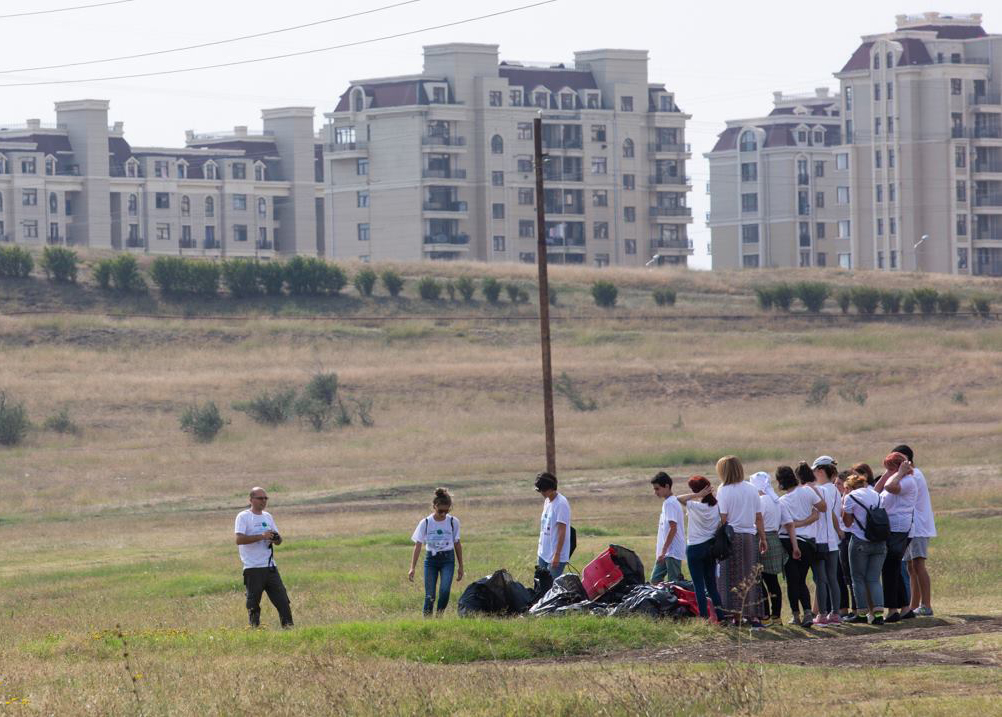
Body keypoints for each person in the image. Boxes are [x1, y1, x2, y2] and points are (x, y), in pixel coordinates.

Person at [715, 456, 767, 627]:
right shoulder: (752, 489)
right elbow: (758, 517)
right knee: (750, 577)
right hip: (750, 536)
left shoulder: (723, 490)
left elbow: (723, 518)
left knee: (729, 578)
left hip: (731, 537)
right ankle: (753, 616)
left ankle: (733, 615)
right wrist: (763, 538)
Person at [234, 487, 294, 628]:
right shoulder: (243, 516)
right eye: (260, 498)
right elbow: (239, 540)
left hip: (270, 567)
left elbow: (279, 541)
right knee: (253, 603)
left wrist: (276, 538)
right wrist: (261, 536)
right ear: (251, 500)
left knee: (283, 600)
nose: (264, 501)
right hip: (253, 568)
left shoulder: (268, 516)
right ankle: (254, 629)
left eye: (266, 498)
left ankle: (289, 628)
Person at [776, 465, 822, 628]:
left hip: (788, 542)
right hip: (808, 542)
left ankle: (795, 615)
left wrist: (797, 525)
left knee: (792, 580)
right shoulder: (807, 491)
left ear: (780, 482)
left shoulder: (782, 501)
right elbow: (822, 509)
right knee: (802, 579)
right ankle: (808, 612)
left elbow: (788, 526)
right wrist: (808, 519)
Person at [875, 451, 917, 623]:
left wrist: (899, 473)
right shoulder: (894, 478)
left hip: (899, 528)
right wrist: (888, 473)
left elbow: (889, 488)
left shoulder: (907, 481)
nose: (889, 472)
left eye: (890, 468)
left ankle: (892, 610)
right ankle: (904, 608)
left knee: (889, 569)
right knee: (893, 568)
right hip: (891, 528)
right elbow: (876, 491)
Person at [409, 488, 464, 616]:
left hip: (448, 560)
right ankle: (427, 620)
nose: (443, 514)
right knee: (430, 595)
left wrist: (461, 566)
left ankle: (439, 616)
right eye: (440, 511)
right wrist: (412, 567)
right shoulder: (426, 522)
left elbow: (457, 543)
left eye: (447, 511)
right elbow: (418, 545)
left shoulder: (453, 522)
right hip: (431, 561)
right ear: (434, 506)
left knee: (445, 591)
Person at [677, 476, 725, 621]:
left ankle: (703, 617)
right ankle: (721, 617)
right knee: (712, 586)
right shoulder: (716, 506)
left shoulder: (695, 506)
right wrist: (702, 494)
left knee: (699, 585)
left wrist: (696, 495)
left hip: (694, 549)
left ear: (696, 491)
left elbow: (679, 498)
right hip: (710, 548)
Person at [842, 472, 887, 624]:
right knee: (874, 579)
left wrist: (845, 501)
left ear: (849, 487)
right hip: (880, 541)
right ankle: (878, 614)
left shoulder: (850, 497)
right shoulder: (877, 495)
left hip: (860, 541)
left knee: (858, 578)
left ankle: (861, 613)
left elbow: (847, 523)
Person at [898, 444, 936, 618]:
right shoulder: (910, 475)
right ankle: (914, 605)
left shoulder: (914, 475)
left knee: (919, 565)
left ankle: (926, 605)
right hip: (910, 527)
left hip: (918, 527)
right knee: (911, 567)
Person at [796, 461, 831, 627]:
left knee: (802, 578)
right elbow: (825, 510)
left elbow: (821, 509)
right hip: (822, 539)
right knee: (821, 578)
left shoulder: (801, 492)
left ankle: (809, 613)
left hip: (807, 539)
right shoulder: (823, 489)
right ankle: (822, 612)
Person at [812, 456, 845, 626]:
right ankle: (835, 613)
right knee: (832, 578)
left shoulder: (821, 489)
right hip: (833, 540)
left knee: (821, 579)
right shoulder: (834, 489)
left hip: (821, 539)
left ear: (820, 471)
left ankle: (822, 614)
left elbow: (829, 513)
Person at [750, 471, 784, 626]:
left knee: (760, 580)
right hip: (775, 538)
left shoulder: (762, 500)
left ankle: (765, 615)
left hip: (763, 538)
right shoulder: (775, 499)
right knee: (772, 581)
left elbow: (757, 521)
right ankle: (777, 616)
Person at [650, 472, 686, 584]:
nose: (655, 492)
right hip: (667, 551)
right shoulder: (668, 502)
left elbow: (673, 528)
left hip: (672, 551)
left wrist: (664, 551)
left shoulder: (670, 503)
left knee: (674, 583)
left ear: (666, 486)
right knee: (655, 579)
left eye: (657, 489)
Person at [535, 472, 571, 577]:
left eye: (543, 490)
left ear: (551, 489)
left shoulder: (561, 504)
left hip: (555, 556)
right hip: (543, 553)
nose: (541, 493)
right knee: (540, 584)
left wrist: (557, 554)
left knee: (551, 585)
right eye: (539, 490)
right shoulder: (547, 501)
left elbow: (562, 531)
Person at [835, 470, 859, 621]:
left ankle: (855, 609)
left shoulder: (849, 498)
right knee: (841, 575)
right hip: (841, 538)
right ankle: (843, 608)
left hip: (848, 536)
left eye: (838, 483)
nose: (836, 486)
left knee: (850, 575)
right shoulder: (840, 497)